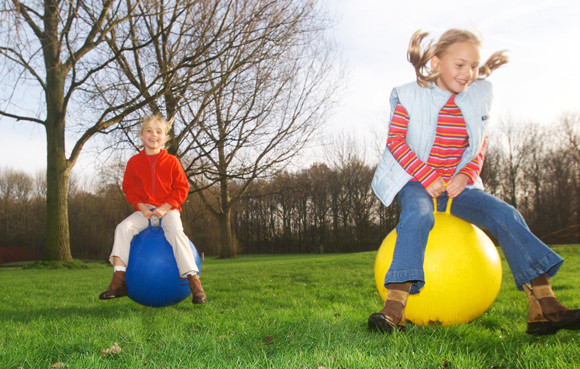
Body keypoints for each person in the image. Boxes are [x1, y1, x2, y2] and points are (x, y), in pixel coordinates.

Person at [368, 29, 579, 335]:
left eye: (474, 66)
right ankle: (395, 308)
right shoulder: (410, 96)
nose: (468, 74)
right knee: (418, 214)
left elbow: (479, 146)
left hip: (458, 188)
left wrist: (466, 175)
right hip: (415, 181)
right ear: (437, 62)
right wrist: (427, 178)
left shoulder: (478, 99)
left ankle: (545, 306)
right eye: (460, 65)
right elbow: (396, 143)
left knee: (506, 214)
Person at [99, 114, 207, 304]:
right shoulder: (134, 162)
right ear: (141, 136)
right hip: (144, 211)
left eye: (159, 132)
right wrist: (141, 207)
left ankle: (193, 280)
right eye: (149, 131)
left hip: (168, 210)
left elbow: (182, 188)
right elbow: (129, 189)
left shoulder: (172, 162)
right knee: (122, 229)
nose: (153, 135)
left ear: (164, 138)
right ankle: (118, 281)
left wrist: (165, 208)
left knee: (176, 232)